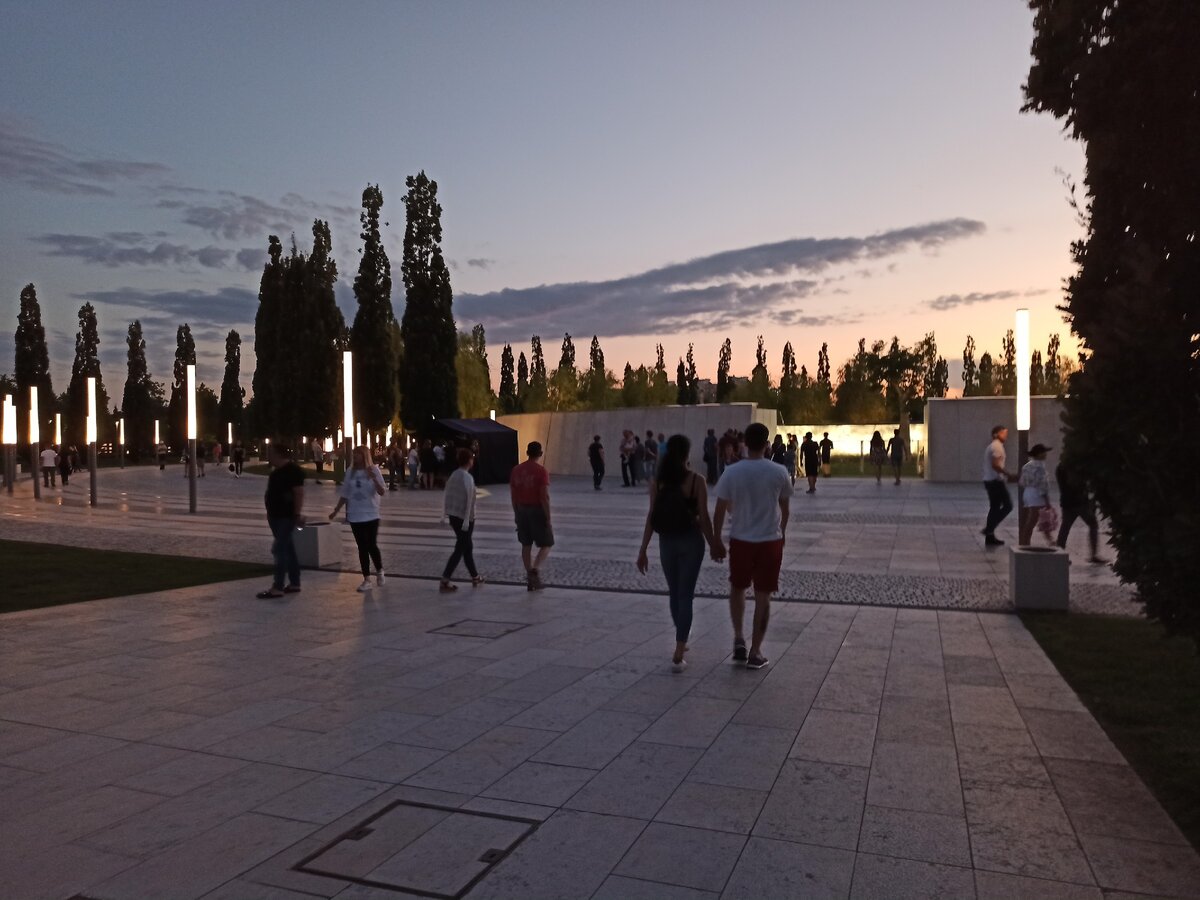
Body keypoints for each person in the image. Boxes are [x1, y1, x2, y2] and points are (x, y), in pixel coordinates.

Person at [637, 434, 724, 672]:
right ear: (687, 454)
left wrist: (643, 549)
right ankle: (679, 648)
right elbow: (704, 518)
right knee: (686, 595)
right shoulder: (697, 480)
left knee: (675, 593)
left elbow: (651, 516)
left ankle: (681, 639)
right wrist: (714, 543)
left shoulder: (659, 481)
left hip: (666, 542)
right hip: (691, 542)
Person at [712, 422, 794, 670]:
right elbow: (785, 508)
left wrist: (716, 540)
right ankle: (756, 651)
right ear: (767, 443)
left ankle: (739, 637)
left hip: (741, 539)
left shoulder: (732, 472)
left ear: (744, 443)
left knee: (737, 587)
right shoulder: (779, 472)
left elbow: (718, 510)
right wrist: (783, 533)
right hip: (769, 539)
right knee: (763, 596)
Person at [329, 445, 386, 592]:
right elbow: (345, 493)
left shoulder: (374, 470)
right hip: (355, 514)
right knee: (362, 547)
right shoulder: (350, 472)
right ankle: (366, 579)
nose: (355, 458)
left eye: (358, 455)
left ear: (365, 456)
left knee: (371, 545)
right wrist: (336, 510)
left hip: (371, 513)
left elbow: (382, 492)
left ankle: (379, 571)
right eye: (354, 455)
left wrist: (373, 478)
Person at [258, 443, 305, 598]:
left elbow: (298, 493)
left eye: (270, 453)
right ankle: (295, 583)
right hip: (275, 516)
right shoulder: (275, 472)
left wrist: (297, 514)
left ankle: (278, 586)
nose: (268, 456)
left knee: (279, 550)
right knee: (288, 550)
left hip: (286, 516)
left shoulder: (293, 471)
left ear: (279, 454)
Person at [510, 441, 553, 590]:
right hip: (537, 510)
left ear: (527, 452)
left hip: (521, 509)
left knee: (526, 544)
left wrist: (516, 513)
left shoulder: (516, 470)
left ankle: (529, 574)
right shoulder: (541, 471)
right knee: (547, 543)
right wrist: (548, 516)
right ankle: (535, 569)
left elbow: (513, 495)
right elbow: (544, 496)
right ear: (540, 454)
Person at [441, 447, 484, 591]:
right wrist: (469, 519)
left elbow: (448, 494)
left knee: (467, 547)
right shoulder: (467, 477)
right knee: (460, 548)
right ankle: (445, 579)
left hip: (454, 516)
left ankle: (475, 576)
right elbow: (470, 500)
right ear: (469, 461)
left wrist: (444, 514)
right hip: (465, 519)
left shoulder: (454, 475)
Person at [1056, 453, 1107, 564]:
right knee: (1092, 524)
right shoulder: (1075, 469)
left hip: (1067, 502)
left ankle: (1059, 553)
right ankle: (1093, 554)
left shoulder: (1060, 467)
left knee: (1065, 527)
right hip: (1079, 502)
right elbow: (1078, 485)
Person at [982, 425, 1016, 547]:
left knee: (995, 507)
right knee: (1008, 505)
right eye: (1003, 433)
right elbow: (995, 465)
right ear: (996, 434)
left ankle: (990, 535)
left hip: (990, 480)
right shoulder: (996, 446)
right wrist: (1008, 474)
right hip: (995, 481)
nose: (1005, 435)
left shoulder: (994, 446)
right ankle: (989, 529)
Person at [1018, 443, 1054, 546]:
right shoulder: (1040, 467)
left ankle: (1049, 541)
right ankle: (1025, 543)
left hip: (1028, 493)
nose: (1045, 454)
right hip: (1037, 495)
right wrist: (1047, 501)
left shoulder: (1027, 466)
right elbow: (1043, 485)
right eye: (1044, 452)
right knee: (1035, 520)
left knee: (1037, 519)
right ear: (1039, 454)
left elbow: (1021, 481)